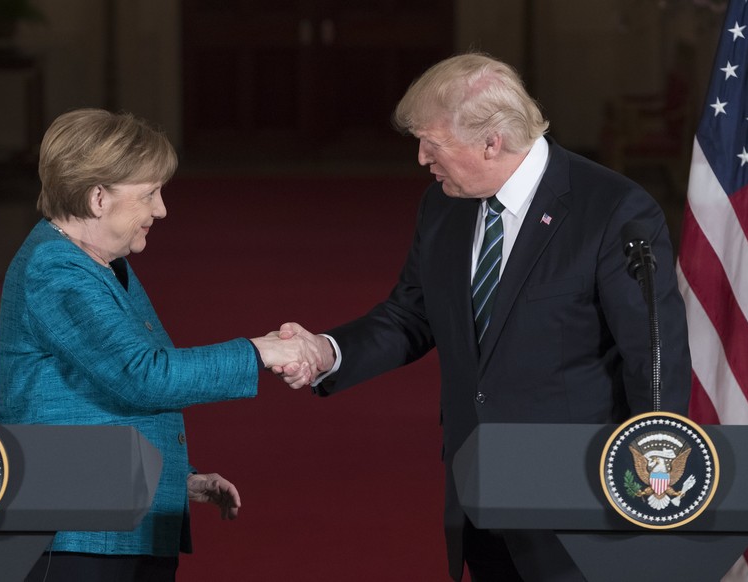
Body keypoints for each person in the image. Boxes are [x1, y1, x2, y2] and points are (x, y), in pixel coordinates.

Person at [277, 53, 691, 581]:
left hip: (579, 501)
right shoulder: (443, 205)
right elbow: (410, 315)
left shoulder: (613, 211)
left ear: (492, 141)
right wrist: (327, 351)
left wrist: (651, 497)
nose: (422, 157)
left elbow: (654, 362)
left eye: (432, 142)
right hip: (477, 492)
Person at [0, 108, 322, 581]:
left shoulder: (98, 263)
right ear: (98, 197)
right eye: (149, 194)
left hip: (115, 516)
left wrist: (173, 480)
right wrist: (261, 350)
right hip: (73, 532)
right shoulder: (55, 269)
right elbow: (143, 376)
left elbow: (94, 399)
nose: (161, 209)